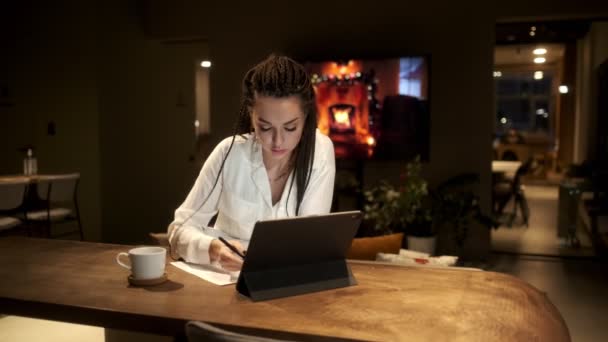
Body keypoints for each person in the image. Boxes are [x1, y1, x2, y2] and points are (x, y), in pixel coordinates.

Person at [168, 55, 336, 271]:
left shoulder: (320, 152)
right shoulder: (229, 154)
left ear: (305, 118)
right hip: (227, 287)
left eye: (290, 127)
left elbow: (310, 243)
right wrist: (213, 249)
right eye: (265, 127)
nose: (277, 141)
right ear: (251, 115)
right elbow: (179, 230)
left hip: (291, 289)